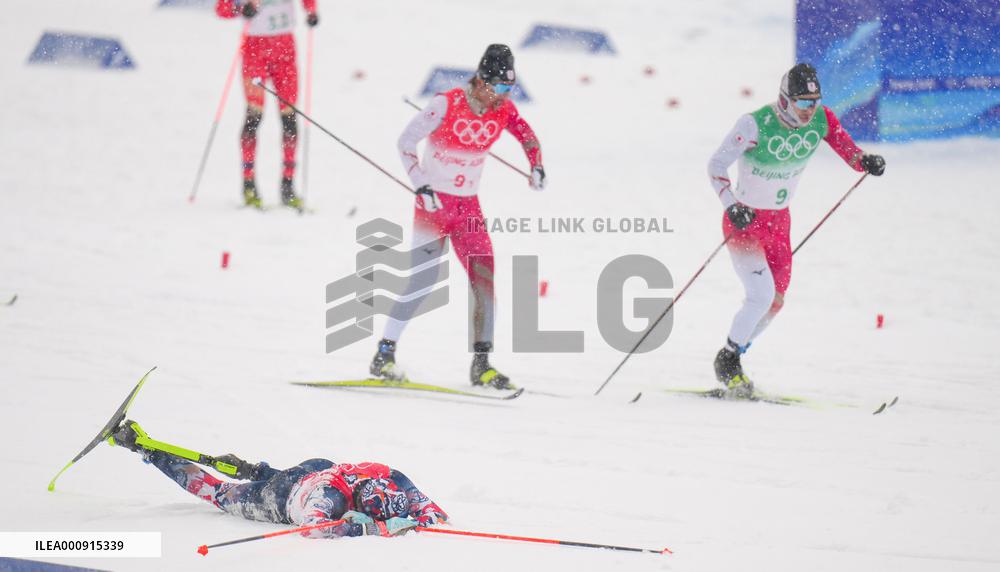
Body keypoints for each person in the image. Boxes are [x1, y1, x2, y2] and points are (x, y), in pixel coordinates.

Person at [368, 44, 547, 390]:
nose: (502, 96)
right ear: (480, 80)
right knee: (422, 282)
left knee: (485, 280)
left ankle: (481, 364)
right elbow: (405, 143)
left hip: (468, 209)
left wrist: (536, 165)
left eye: (509, 89)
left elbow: (528, 136)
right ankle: (384, 354)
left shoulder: (503, 111)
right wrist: (421, 184)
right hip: (434, 207)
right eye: (498, 88)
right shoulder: (445, 104)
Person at [707, 63, 886, 397]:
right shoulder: (754, 123)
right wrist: (731, 203)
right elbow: (716, 165)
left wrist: (864, 161)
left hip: (779, 223)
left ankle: (735, 353)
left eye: (814, 101)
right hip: (745, 221)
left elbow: (846, 147)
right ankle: (727, 359)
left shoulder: (821, 119)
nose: (810, 109)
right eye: (803, 102)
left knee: (775, 301)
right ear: (784, 99)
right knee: (758, 296)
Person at [108, 419, 448, 538]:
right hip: (283, 497)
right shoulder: (330, 500)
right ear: (359, 500)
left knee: (286, 476)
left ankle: (253, 469)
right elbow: (316, 529)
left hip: (313, 468)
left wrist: (415, 518)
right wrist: (374, 528)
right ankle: (141, 446)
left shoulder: (387, 475)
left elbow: (434, 513)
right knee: (219, 493)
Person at [216, 0, 320, 210]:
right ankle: (249, 185)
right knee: (254, 117)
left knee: (289, 118)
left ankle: (288, 187)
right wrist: (240, 9)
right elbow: (222, 9)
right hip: (256, 49)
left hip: (285, 50)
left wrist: (311, 11)